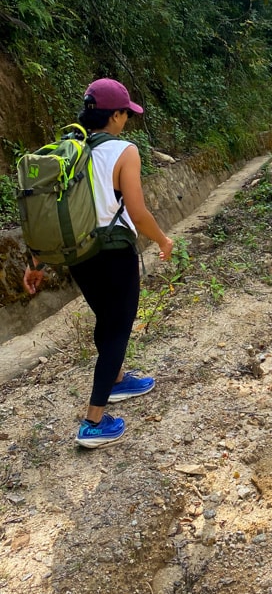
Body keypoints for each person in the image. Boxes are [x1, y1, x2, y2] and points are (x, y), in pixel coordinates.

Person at [23, 78, 174, 448]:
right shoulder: (125, 151)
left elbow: (53, 212)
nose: (127, 121)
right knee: (119, 328)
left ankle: (119, 379)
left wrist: (36, 263)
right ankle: (93, 421)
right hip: (114, 253)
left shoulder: (68, 149)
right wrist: (162, 239)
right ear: (116, 115)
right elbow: (136, 212)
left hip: (79, 255)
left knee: (106, 322)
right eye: (126, 114)